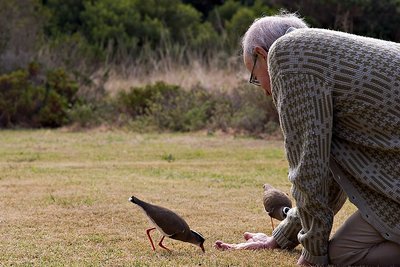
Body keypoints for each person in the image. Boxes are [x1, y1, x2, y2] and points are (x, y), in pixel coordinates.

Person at [214, 13, 400, 266]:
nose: (267, 91)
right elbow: (328, 178)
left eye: (255, 77)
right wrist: (281, 238)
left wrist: (312, 255)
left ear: (262, 53)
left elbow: (309, 169)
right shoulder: (325, 56)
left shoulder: (287, 54)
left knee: (343, 255)